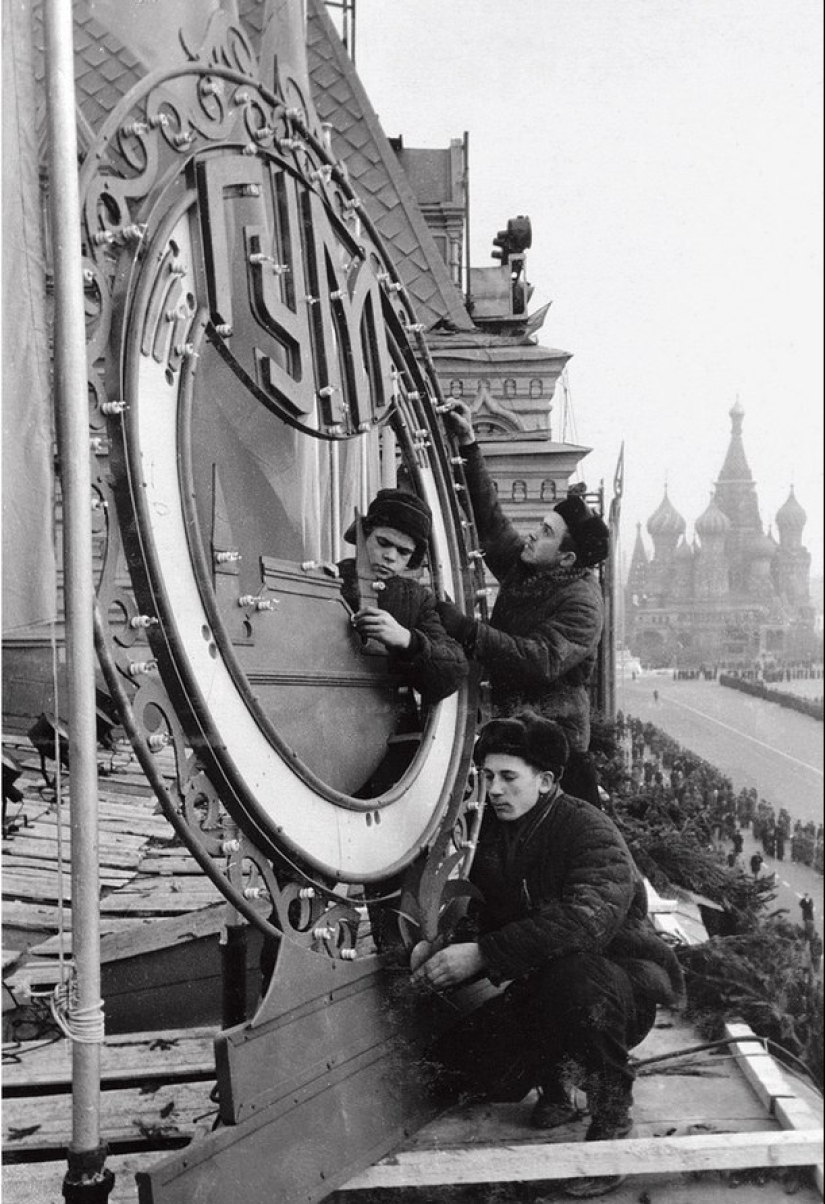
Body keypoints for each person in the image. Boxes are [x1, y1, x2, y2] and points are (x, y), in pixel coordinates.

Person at [412, 712, 683, 1199]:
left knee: (573, 978)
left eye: (508, 778)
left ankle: (611, 1115)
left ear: (546, 780)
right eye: (487, 777)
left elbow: (584, 922)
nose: (493, 790)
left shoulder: (589, 831)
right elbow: (479, 912)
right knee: (465, 1065)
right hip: (542, 987)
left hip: (615, 991)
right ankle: (556, 1079)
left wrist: (482, 955)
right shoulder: (492, 834)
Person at [437, 401, 609, 806]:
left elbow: (539, 658)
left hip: (554, 748)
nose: (532, 535)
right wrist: (469, 445)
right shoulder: (533, 569)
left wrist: (467, 631)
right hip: (515, 732)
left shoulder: (583, 604)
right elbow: (492, 524)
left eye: (545, 532)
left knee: (560, 837)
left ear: (567, 558)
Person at [338, 488, 468, 706]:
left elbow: (454, 671)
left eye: (403, 552)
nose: (390, 557)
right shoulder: (330, 581)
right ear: (364, 535)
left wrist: (408, 640)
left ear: (411, 559)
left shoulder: (417, 600)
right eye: (383, 542)